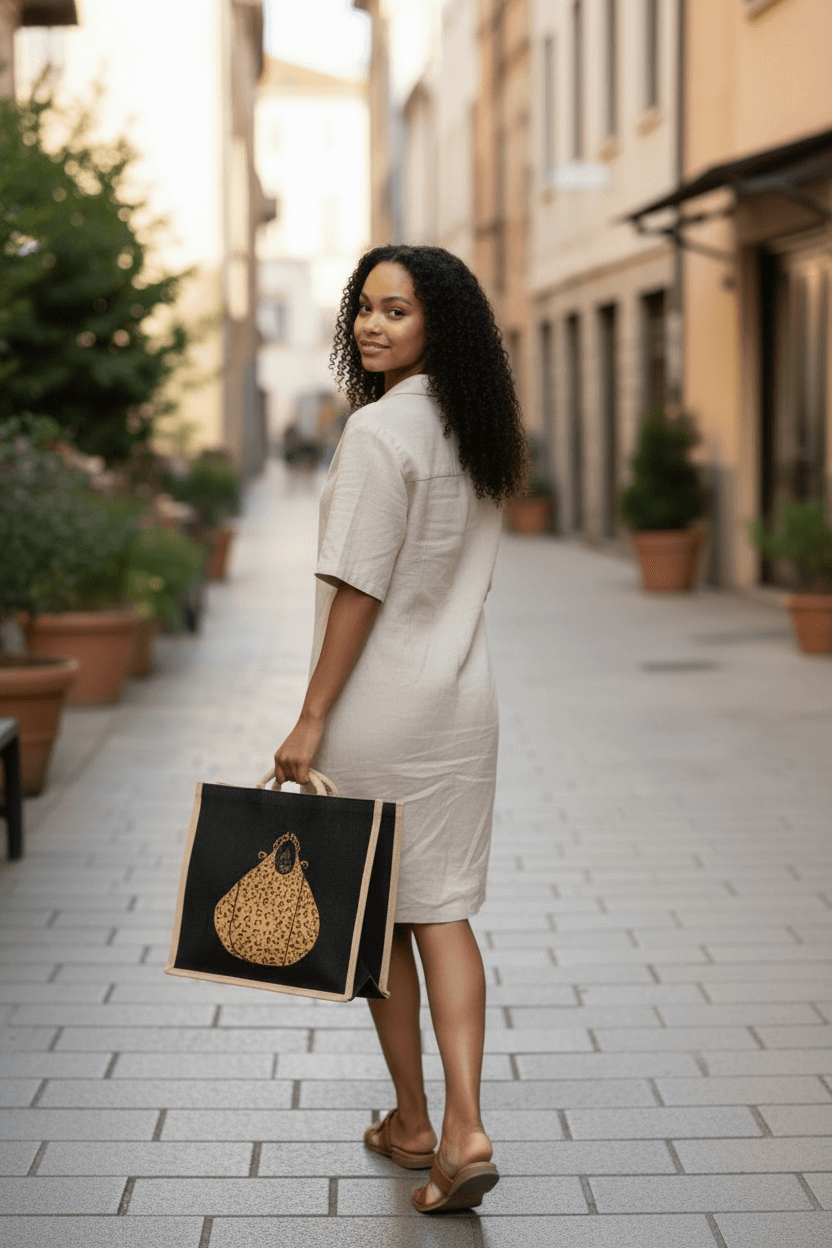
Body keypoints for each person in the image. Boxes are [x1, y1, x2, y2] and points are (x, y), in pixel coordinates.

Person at [273, 244, 527, 1214]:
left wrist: (309, 719)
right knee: (444, 906)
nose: (374, 326)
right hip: (462, 700)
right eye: (365, 309)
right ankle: (459, 1128)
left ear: (438, 326)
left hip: (381, 708)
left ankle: (422, 1122)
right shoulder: (479, 430)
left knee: (381, 914)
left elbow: (357, 587)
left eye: (398, 311)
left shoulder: (381, 433)